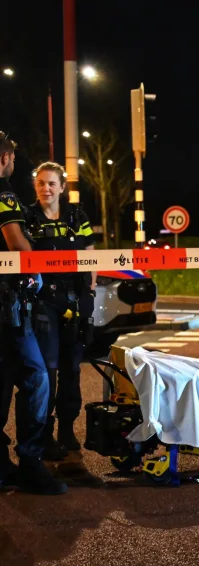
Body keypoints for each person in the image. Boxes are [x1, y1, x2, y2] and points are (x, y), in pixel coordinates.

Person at [0, 132, 66, 494]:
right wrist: (36, 270)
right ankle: (30, 462)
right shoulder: (4, 193)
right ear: (5, 158)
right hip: (6, 306)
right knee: (36, 378)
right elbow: (16, 244)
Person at [24, 162, 96, 460]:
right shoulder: (28, 217)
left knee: (72, 368)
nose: (46, 188)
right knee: (48, 369)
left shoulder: (77, 216)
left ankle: (67, 429)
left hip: (74, 299)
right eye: (41, 183)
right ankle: (44, 433)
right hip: (43, 302)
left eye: (52, 183)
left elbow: (90, 256)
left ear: (62, 187)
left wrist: (90, 293)